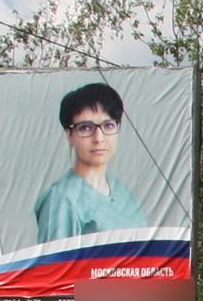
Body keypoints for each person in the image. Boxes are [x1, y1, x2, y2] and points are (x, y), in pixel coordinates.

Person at [32, 82, 153, 242]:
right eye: (86, 128)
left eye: (108, 125)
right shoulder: (61, 199)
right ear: (69, 134)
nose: (99, 138)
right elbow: (55, 258)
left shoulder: (122, 192)